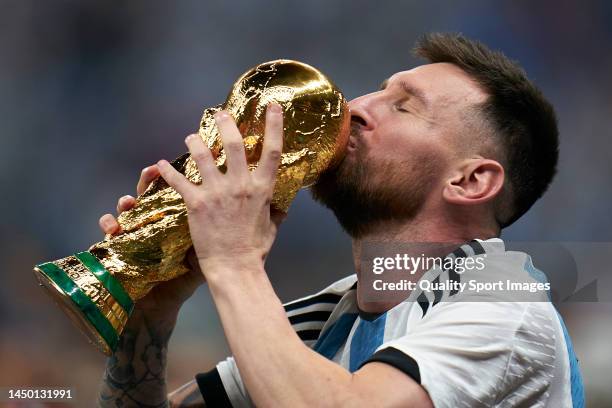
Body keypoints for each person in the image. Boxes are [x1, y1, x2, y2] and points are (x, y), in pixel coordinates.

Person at [97, 33, 584, 407]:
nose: (352, 109)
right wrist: (150, 319)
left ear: (471, 181)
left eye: (403, 107)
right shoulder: (328, 317)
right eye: (375, 91)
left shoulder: (505, 310)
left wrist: (234, 260)